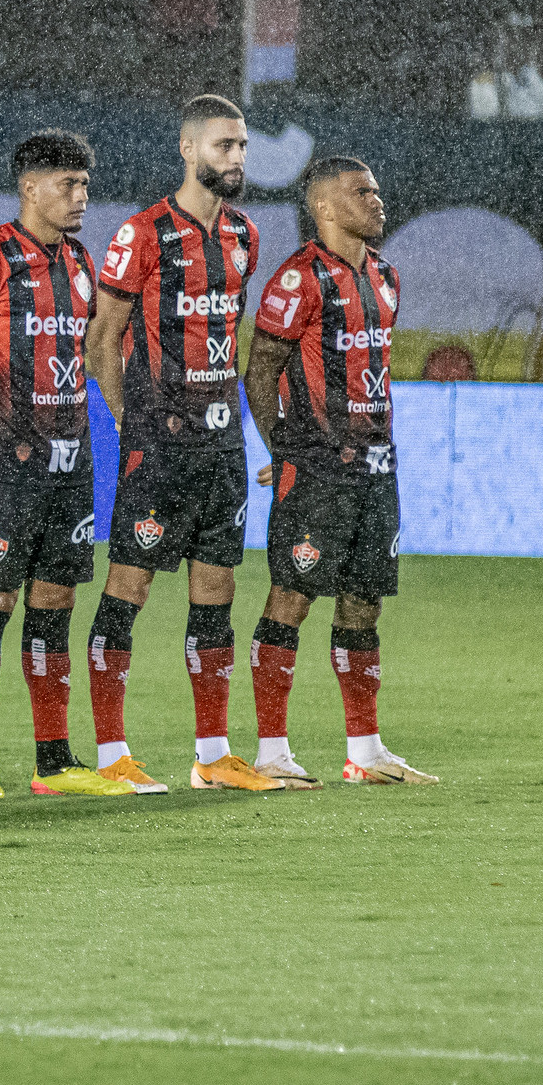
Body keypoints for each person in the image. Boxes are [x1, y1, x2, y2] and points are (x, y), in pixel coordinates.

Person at [82, 94, 280, 793]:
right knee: (128, 588)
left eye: (243, 146)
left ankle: (213, 756)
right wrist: (125, 418)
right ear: (187, 149)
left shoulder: (245, 236)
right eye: (224, 146)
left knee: (217, 591)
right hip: (158, 444)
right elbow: (101, 341)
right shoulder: (141, 235)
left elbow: (230, 334)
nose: (237, 158)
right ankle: (111, 757)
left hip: (222, 446)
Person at [0, 130, 131, 799]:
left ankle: (53, 761)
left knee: (56, 603)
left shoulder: (79, 261)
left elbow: (92, 347)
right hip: (9, 462)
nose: (80, 196)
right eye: (67, 184)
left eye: (84, 184)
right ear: (29, 187)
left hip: (72, 460)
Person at [243, 158, 436, 787]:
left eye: (376, 190)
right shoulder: (298, 279)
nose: (377, 202)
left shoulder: (384, 276)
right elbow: (259, 370)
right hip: (319, 471)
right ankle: (272, 751)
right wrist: (285, 450)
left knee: (363, 605)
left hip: (378, 469)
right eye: (362, 192)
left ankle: (366, 751)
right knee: (290, 599)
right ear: (325, 207)